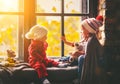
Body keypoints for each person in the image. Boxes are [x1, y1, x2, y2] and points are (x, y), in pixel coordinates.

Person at [62, 15, 106, 84]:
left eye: (83, 29)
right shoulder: (86, 40)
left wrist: (79, 53)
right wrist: (66, 42)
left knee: (81, 58)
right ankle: (63, 61)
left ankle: (80, 79)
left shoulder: (91, 42)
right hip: (85, 56)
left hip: (93, 61)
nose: (81, 31)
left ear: (88, 31)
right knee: (69, 57)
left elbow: (90, 56)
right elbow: (76, 44)